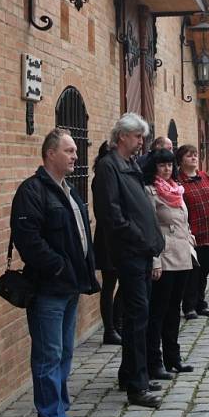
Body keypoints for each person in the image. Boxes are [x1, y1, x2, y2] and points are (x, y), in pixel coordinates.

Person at [11, 128, 99, 417]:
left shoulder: (69, 190)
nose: (75, 156)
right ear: (51, 154)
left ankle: (59, 415)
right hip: (49, 289)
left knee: (63, 354)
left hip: (71, 288)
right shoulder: (32, 191)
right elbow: (29, 241)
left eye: (75, 151)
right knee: (48, 356)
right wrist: (59, 267)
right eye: (70, 151)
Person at [92, 113, 165, 409]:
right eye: (137, 137)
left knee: (139, 316)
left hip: (142, 251)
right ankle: (137, 385)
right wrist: (142, 237)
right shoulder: (109, 168)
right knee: (136, 319)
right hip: (130, 252)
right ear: (122, 136)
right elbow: (112, 217)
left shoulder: (130, 164)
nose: (141, 142)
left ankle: (130, 374)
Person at [143, 148, 195, 377]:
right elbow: (149, 228)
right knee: (158, 312)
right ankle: (154, 362)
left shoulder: (177, 190)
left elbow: (183, 220)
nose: (167, 169)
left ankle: (173, 357)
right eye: (162, 165)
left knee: (174, 310)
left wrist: (190, 238)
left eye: (170, 165)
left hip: (182, 255)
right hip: (164, 257)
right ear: (154, 167)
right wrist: (155, 260)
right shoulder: (150, 191)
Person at [176, 144, 209, 319]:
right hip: (193, 235)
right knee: (192, 272)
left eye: (195, 155)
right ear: (181, 160)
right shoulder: (178, 181)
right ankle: (189, 306)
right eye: (189, 155)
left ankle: (200, 303)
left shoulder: (205, 176)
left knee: (204, 270)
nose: (194, 158)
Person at [92, 141, 122, 346]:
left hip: (115, 236)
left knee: (121, 282)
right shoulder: (102, 177)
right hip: (107, 236)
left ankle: (116, 324)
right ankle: (110, 328)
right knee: (110, 283)